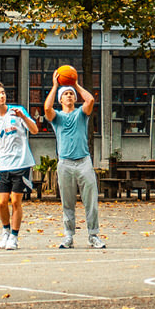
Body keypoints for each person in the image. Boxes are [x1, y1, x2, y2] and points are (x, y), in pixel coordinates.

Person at [0, 82, 40, 250]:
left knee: (15, 201)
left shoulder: (17, 111)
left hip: (22, 163)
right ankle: (5, 230)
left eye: (3, 92)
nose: (1, 95)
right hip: (4, 165)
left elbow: (34, 130)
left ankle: (14, 236)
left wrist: (24, 117)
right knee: (1, 202)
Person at [45, 78, 103, 248]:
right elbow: (47, 108)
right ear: (60, 99)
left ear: (75, 98)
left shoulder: (80, 113)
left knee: (91, 201)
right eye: (66, 94)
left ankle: (93, 235)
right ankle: (68, 236)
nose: (69, 96)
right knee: (67, 202)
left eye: (71, 93)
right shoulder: (57, 117)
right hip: (65, 163)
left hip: (84, 161)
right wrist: (55, 86)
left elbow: (90, 100)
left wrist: (76, 84)